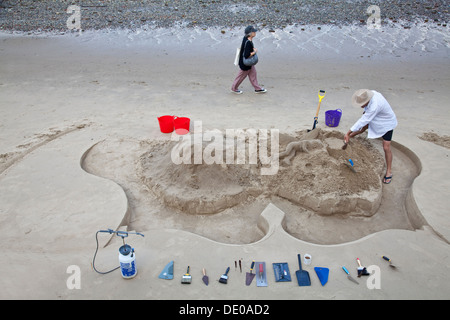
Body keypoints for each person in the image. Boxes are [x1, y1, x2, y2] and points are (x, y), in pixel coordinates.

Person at [344, 89, 398, 184]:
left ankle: (389, 171)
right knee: (362, 127)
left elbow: (363, 120)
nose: (361, 106)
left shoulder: (375, 106)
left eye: (362, 104)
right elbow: (364, 119)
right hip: (376, 115)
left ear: (367, 101)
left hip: (386, 122)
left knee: (386, 147)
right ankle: (350, 137)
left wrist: (348, 132)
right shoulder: (369, 94)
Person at [231, 25, 267, 94]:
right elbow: (246, 55)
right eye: (254, 32)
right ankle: (234, 88)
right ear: (250, 33)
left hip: (249, 63)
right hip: (245, 64)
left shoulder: (246, 39)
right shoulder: (248, 43)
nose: (255, 33)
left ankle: (257, 88)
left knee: (253, 74)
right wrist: (254, 52)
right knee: (240, 77)